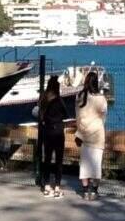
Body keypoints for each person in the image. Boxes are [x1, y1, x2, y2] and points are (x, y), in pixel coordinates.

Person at [75, 69, 108, 201]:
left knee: (84, 164)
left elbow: (77, 116)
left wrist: (79, 131)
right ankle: (94, 191)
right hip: (98, 134)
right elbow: (104, 116)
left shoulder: (79, 97)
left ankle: (85, 191)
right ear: (97, 83)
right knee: (96, 164)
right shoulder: (101, 98)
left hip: (83, 134)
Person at [38, 75, 68, 197]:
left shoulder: (43, 99)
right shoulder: (59, 101)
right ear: (57, 87)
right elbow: (65, 114)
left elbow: (41, 116)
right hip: (58, 132)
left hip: (47, 132)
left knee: (47, 159)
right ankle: (57, 187)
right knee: (59, 160)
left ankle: (46, 186)